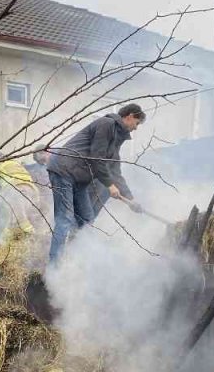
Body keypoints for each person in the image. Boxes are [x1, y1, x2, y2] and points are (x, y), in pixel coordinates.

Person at [45, 103, 146, 262]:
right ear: (130, 116)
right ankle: (54, 266)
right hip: (64, 170)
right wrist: (110, 185)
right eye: (137, 123)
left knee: (87, 219)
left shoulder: (116, 139)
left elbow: (115, 171)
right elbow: (96, 157)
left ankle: (75, 261)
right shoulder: (106, 124)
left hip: (79, 179)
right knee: (65, 219)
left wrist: (130, 199)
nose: (136, 128)